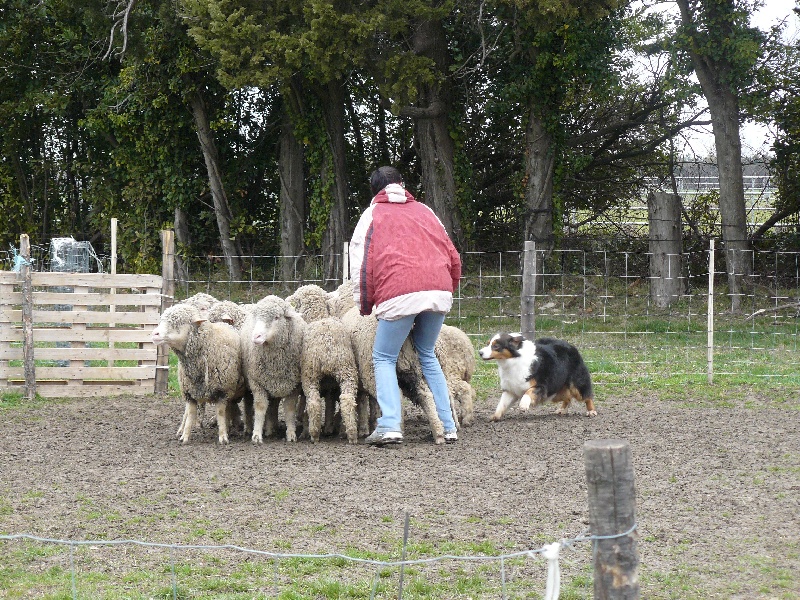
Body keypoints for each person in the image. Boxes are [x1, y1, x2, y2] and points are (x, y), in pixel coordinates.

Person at [349, 165, 462, 446]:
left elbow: (361, 266)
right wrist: (446, 289)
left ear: (375, 190)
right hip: (437, 290)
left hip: (398, 291)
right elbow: (452, 253)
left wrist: (364, 306)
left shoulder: (372, 214)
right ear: (402, 184)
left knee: (383, 357)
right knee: (427, 354)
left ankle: (390, 425)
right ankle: (448, 426)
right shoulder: (426, 211)